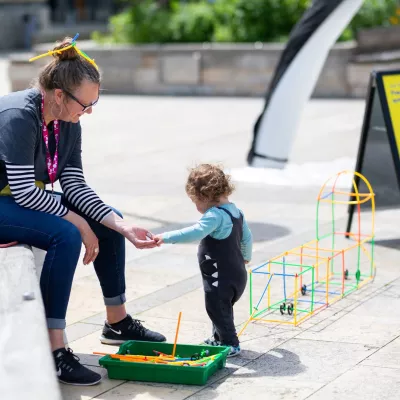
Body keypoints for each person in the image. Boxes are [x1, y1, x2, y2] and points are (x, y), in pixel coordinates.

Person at [0, 36, 166, 386]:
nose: (88, 111)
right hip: (9, 199)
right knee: (66, 233)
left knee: (107, 221)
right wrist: (77, 222)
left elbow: (74, 186)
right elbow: (26, 192)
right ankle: (54, 348)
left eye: (95, 103)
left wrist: (121, 226)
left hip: (15, 200)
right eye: (85, 104)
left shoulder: (67, 123)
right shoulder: (18, 116)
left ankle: (117, 323)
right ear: (58, 95)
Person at [154, 164, 253, 357]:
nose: (196, 207)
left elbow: (195, 232)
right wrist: (246, 257)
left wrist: (165, 237)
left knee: (216, 307)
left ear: (204, 196)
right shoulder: (237, 212)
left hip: (219, 276)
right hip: (237, 275)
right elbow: (247, 238)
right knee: (223, 308)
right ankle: (218, 338)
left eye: (195, 201)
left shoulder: (215, 216)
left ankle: (230, 343)